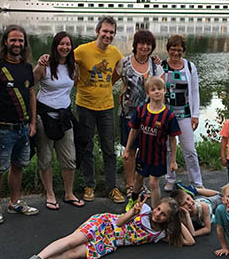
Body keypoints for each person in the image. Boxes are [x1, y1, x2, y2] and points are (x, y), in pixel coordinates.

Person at [7, 197, 195, 259]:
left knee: (72, 254)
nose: (157, 214)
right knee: (72, 240)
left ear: (169, 219)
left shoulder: (159, 234)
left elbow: (190, 241)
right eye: (158, 209)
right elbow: (120, 222)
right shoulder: (143, 211)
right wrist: (133, 212)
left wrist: (183, 216)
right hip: (105, 223)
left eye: (163, 215)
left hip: (108, 243)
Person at [0, 24, 39, 225]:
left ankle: (14, 202)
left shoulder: (26, 67)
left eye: (20, 40)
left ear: (25, 43)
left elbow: (31, 95)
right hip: (2, 127)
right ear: (5, 42)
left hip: (23, 128)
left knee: (18, 166)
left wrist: (33, 122)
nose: (17, 44)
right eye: (13, 40)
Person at [72, 16, 124, 203]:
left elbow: (118, 72)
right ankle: (89, 185)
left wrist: (109, 84)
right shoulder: (82, 50)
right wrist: (76, 81)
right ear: (97, 31)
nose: (108, 35)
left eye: (111, 32)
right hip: (85, 106)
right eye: (105, 31)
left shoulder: (115, 53)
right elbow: (65, 61)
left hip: (107, 107)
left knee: (109, 149)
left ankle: (112, 187)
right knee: (87, 147)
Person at [33, 31, 84, 210]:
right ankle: (50, 194)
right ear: (55, 46)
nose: (65, 47)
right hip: (44, 117)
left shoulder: (73, 66)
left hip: (64, 116)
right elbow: (29, 87)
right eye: (61, 44)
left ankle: (69, 193)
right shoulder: (44, 66)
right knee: (45, 158)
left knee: (69, 158)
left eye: (68, 44)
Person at [116, 30, 164, 198]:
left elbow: (162, 90)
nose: (144, 47)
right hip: (128, 114)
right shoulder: (124, 63)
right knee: (129, 151)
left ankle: (139, 184)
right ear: (135, 45)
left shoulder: (155, 65)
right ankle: (129, 184)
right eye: (141, 43)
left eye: (148, 44)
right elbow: (110, 80)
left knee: (145, 152)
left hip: (150, 117)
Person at [123, 76, 179, 210]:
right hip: (143, 155)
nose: (157, 92)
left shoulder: (168, 115)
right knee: (138, 179)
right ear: (148, 93)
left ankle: (155, 211)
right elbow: (134, 130)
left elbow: (172, 139)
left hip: (158, 157)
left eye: (159, 89)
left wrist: (173, 161)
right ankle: (134, 202)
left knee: (154, 183)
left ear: (165, 90)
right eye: (153, 90)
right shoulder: (141, 111)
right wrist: (127, 149)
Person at [162, 35, 203, 191]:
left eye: (179, 50)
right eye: (173, 49)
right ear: (168, 49)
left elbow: (194, 91)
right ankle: (170, 178)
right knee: (167, 149)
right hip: (166, 115)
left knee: (189, 150)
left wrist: (195, 115)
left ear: (183, 51)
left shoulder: (190, 67)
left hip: (185, 113)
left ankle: (197, 182)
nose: (176, 53)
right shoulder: (162, 66)